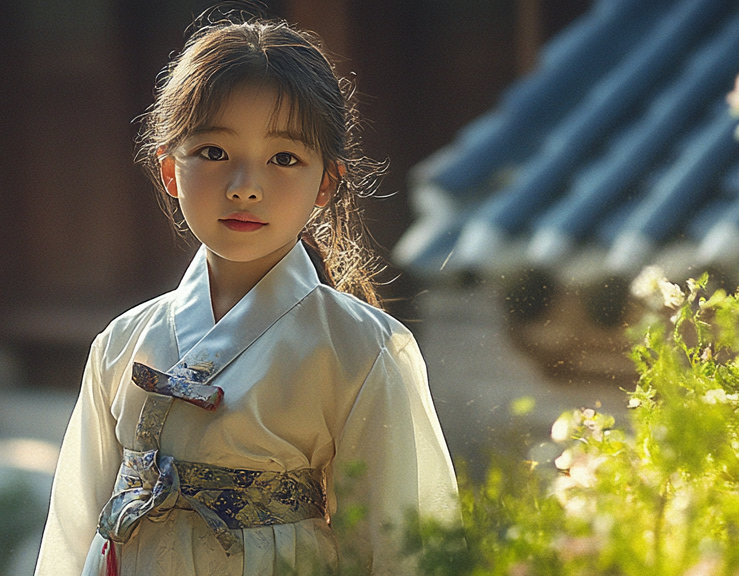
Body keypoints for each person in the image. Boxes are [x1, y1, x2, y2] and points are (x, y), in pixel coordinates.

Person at [33, 14, 458, 576]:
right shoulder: (121, 343)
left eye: (284, 159)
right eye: (213, 152)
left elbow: (407, 545)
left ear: (325, 183)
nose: (245, 185)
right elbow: (72, 527)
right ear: (169, 170)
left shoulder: (362, 350)